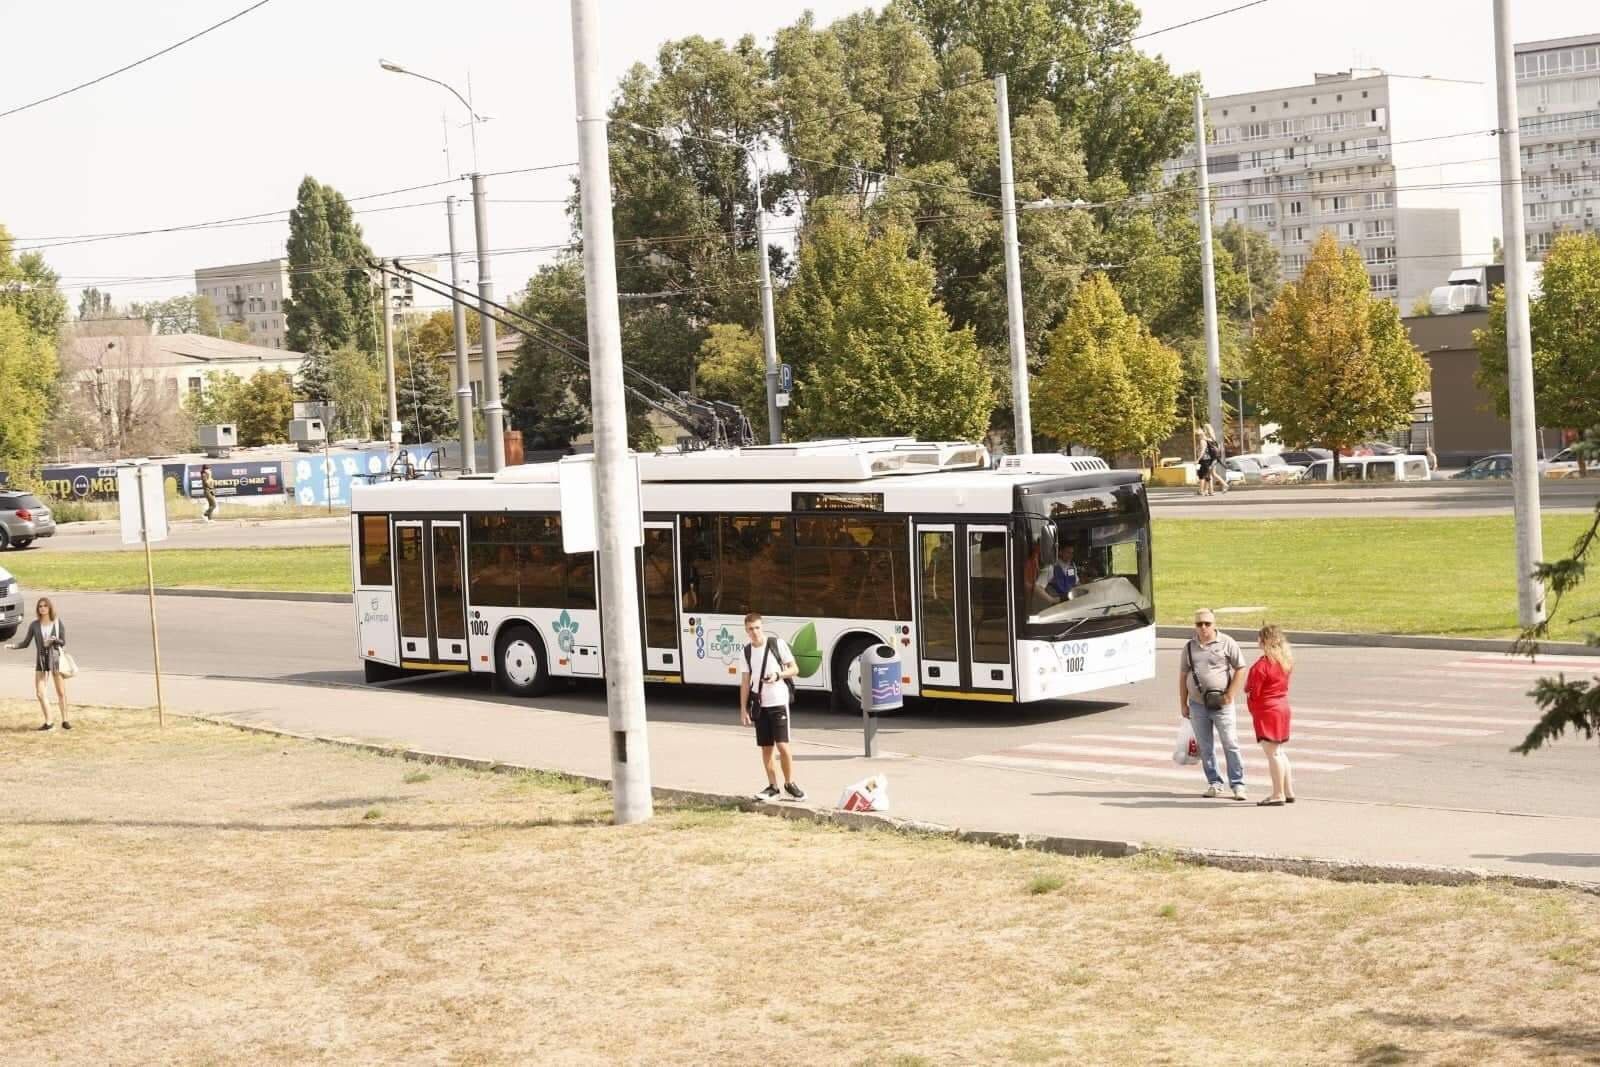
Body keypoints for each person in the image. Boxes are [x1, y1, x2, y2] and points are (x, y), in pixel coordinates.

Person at [1178, 608, 1247, 800]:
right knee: (1206, 747)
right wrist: (1183, 704)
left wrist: (1230, 694)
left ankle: (1238, 784)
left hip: (1221, 704)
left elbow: (1240, 668)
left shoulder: (1226, 642)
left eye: (1207, 623)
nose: (1203, 627)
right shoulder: (1189, 647)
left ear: (1214, 624)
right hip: (1198, 704)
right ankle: (1214, 783)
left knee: (1230, 743)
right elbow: (1183, 676)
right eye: (1199, 624)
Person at [739, 612, 805, 801]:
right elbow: (745, 681)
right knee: (766, 747)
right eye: (750, 629)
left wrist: (778, 675)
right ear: (746, 631)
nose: (754, 632)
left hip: (778, 701)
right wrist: (743, 709)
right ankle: (773, 786)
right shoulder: (746, 652)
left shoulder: (777, 644)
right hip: (760, 704)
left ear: (762, 627)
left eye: (757, 628)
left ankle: (790, 783)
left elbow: (795, 669)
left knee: (782, 745)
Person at [1245, 624, 1295, 806]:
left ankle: (1278, 793)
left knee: (1272, 753)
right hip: (1282, 707)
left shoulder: (1262, 665)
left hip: (1267, 710)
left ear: (1264, 641)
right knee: (1279, 751)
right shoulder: (1285, 662)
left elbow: (1253, 691)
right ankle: (1288, 791)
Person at [7, 596, 71, 731]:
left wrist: (55, 640)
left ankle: (65, 720)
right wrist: (12, 646)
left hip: (55, 660)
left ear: (49, 608)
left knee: (60, 692)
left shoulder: (57, 623)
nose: (42, 608)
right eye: (40, 606)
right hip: (41, 661)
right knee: (40, 693)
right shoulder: (34, 625)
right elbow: (25, 643)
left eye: (45, 606)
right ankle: (49, 722)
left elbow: (63, 642)